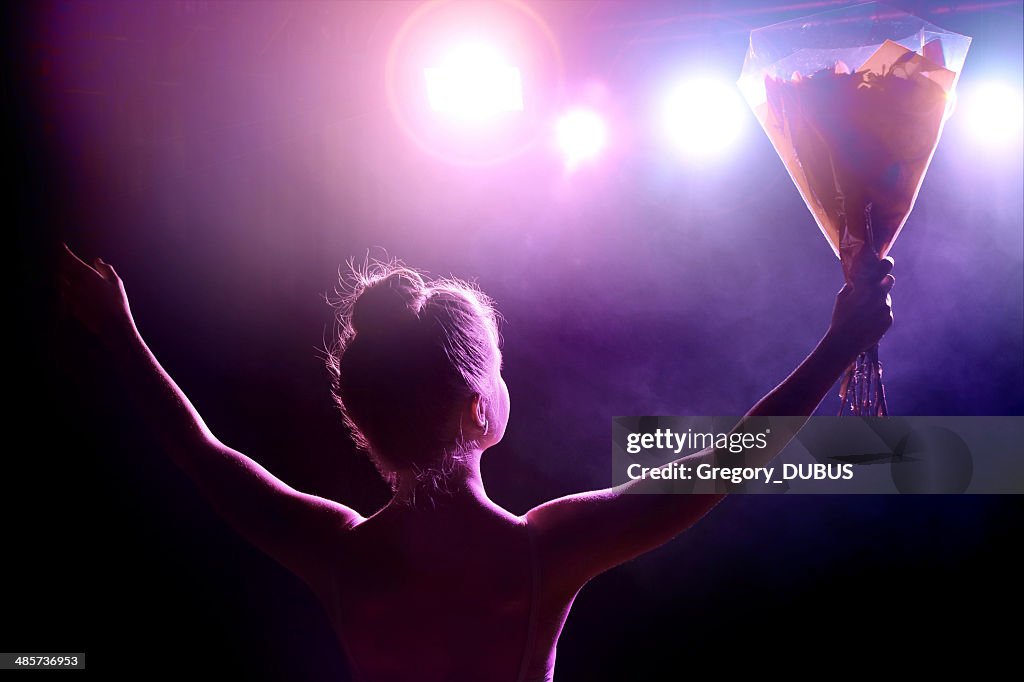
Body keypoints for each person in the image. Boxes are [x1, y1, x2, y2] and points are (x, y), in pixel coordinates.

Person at [59, 244, 894, 682]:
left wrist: (121, 335)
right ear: (475, 407)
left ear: (366, 419)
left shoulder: (342, 556)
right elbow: (726, 462)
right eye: (496, 367)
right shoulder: (540, 553)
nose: (505, 379)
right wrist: (838, 344)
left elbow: (202, 455)